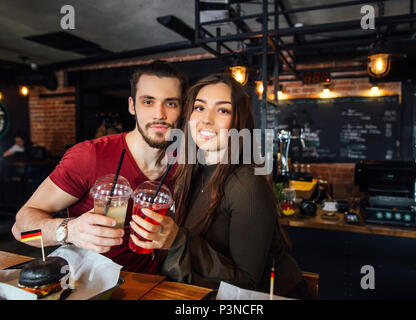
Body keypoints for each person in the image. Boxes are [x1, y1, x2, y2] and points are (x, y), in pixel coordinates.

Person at [129, 73, 314, 299]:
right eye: (199, 108)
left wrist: (177, 240)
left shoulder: (247, 185)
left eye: (223, 110)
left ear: (239, 122)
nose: (206, 119)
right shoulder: (191, 172)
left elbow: (248, 286)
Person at [12, 60, 188, 273]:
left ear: (183, 109)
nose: (159, 114)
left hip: (154, 283)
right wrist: (69, 230)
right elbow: (20, 230)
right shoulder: (90, 156)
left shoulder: (186, 164)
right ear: (132, 105)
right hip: (91, 283)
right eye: (148, 102)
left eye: (171, 103)